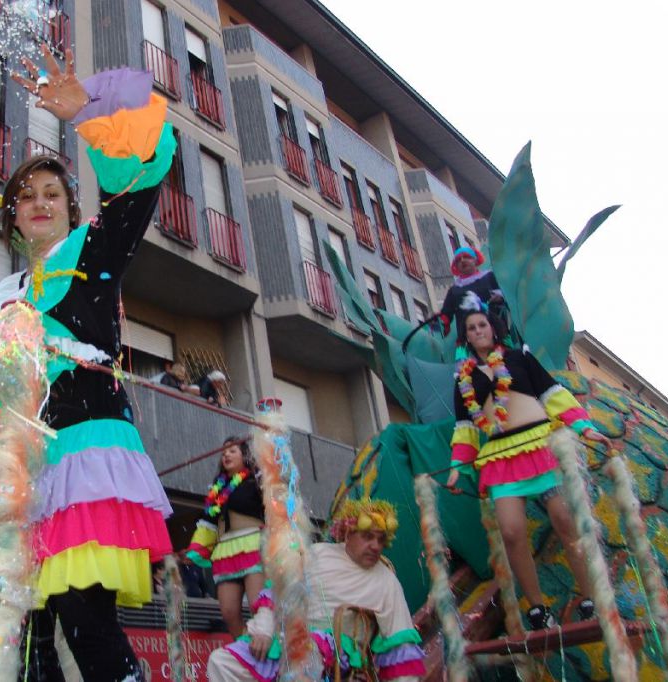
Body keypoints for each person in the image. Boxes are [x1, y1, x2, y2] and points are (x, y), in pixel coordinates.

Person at [0, 45, 177, 681]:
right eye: (27, 197)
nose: (40, 202)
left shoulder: (92, 252)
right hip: (22, 475)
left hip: (84, 455)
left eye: (53, 193)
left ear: (71, 209)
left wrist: (90, 112)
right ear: (13, 219)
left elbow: (140, 185)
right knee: (26, 639)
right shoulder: (3, 297)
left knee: (84, 618)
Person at [444, 305, 613, 629]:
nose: (478, 331)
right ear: (466, 338)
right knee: (511, 532)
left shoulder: (519, 357)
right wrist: (456, 468)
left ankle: (591, 597)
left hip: (540, 447)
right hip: (501, 457)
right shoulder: (463, 379)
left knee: (565, 519)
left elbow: (551, 393)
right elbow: (465, 428)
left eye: (482, 325)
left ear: (493, 328)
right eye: (471, 328)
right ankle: (538, 610)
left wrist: (585, 428)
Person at [206, 498, 425, 681]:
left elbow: (401, 642)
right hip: (286, 638)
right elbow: (280, 591)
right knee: (221, 662)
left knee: (301, 663)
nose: (376, 546)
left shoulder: (387, 581)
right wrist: (262, 630)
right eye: (368, 536)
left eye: (381, 539)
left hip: (331, 653)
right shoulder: (317, 553)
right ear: (348, 533)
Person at [185, 437, 265, 637]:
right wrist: (195, 551)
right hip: (225, 551)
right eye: (223, 453)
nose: (226, 455)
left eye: (232, 451)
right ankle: (244, 649)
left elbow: (274, 506)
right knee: (229, 612)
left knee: (258, 606)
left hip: (253, 546)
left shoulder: (256, 479)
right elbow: (208, 521)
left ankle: (266, 646)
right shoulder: (217, 486)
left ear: (244, 455)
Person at [437, 246, 508, 337]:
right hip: (469, 337)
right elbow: (446, 315)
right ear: (456, 266)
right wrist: (438, 320)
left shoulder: (490, 276)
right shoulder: (454, 290)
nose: (462, 260)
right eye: (458, 260)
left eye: (466, 257)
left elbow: (508, 296)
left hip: (496, 331)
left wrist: (501, 298)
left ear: (475, 260)